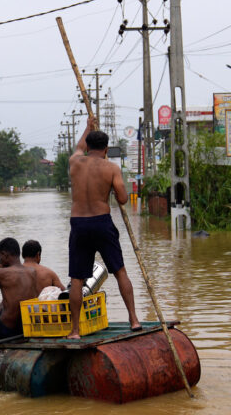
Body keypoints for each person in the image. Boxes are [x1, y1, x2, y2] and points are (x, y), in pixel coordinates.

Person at [68, 118, 141, 339]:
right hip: (101, 222)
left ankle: (75, 331)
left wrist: (88, 127)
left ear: (89, 147)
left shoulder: (74, 162)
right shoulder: (111, 168)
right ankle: (134, 320)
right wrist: (109, 187)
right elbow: (122, 198)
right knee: (120, 272)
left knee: (77, 280)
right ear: (106, 149)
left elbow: (79, 147)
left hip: (79, 224)